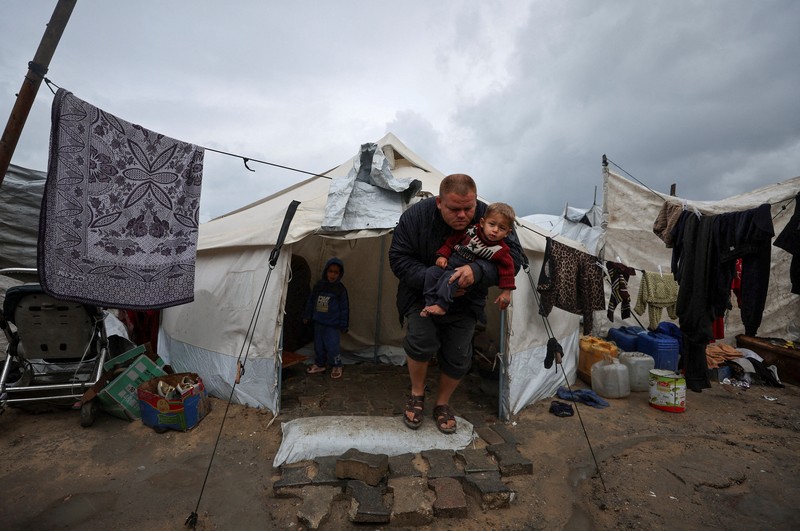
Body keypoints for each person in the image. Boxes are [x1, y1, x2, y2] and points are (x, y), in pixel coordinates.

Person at [389, 174, 523, 433]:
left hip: (467, 301)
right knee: (420, 340)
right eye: (454, 209)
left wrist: (478, 271)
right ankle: (417, 395)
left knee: (459, 354)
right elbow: (398, 259)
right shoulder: (414, 218)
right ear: (439, 202)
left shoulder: (492, 216)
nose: (463, 215)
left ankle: (442, 404)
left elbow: (515, 259)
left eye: (469, 208)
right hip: (421, 296)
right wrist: (438, 281)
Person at [421, 202, 517, 317]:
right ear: (482, 222)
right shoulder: (470, 231)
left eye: (502, 228)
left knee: (450, 278)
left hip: (462, 274)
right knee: (432, 272)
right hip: (449, 265)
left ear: (508, 233)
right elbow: (451, 242)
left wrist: (506, 292)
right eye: (492, 224)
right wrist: (442, 255)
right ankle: (429, 303)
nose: (495, 230)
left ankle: (441, 305)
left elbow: (508, 271)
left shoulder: (500, 250)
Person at [303, 257, 349, 379]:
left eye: (336, 272)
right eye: (330, 271)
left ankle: (336, 364)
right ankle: (320, 363)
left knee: (332, 345)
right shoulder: (319, 286)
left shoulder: (340, 289)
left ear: (340, 274)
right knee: (318, 346)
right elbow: (311, 301)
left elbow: (344, 308)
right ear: (326, 271)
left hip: (332, 324)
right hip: (319, 321)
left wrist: (344, 324)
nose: (332, 275)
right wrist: (307, 315)